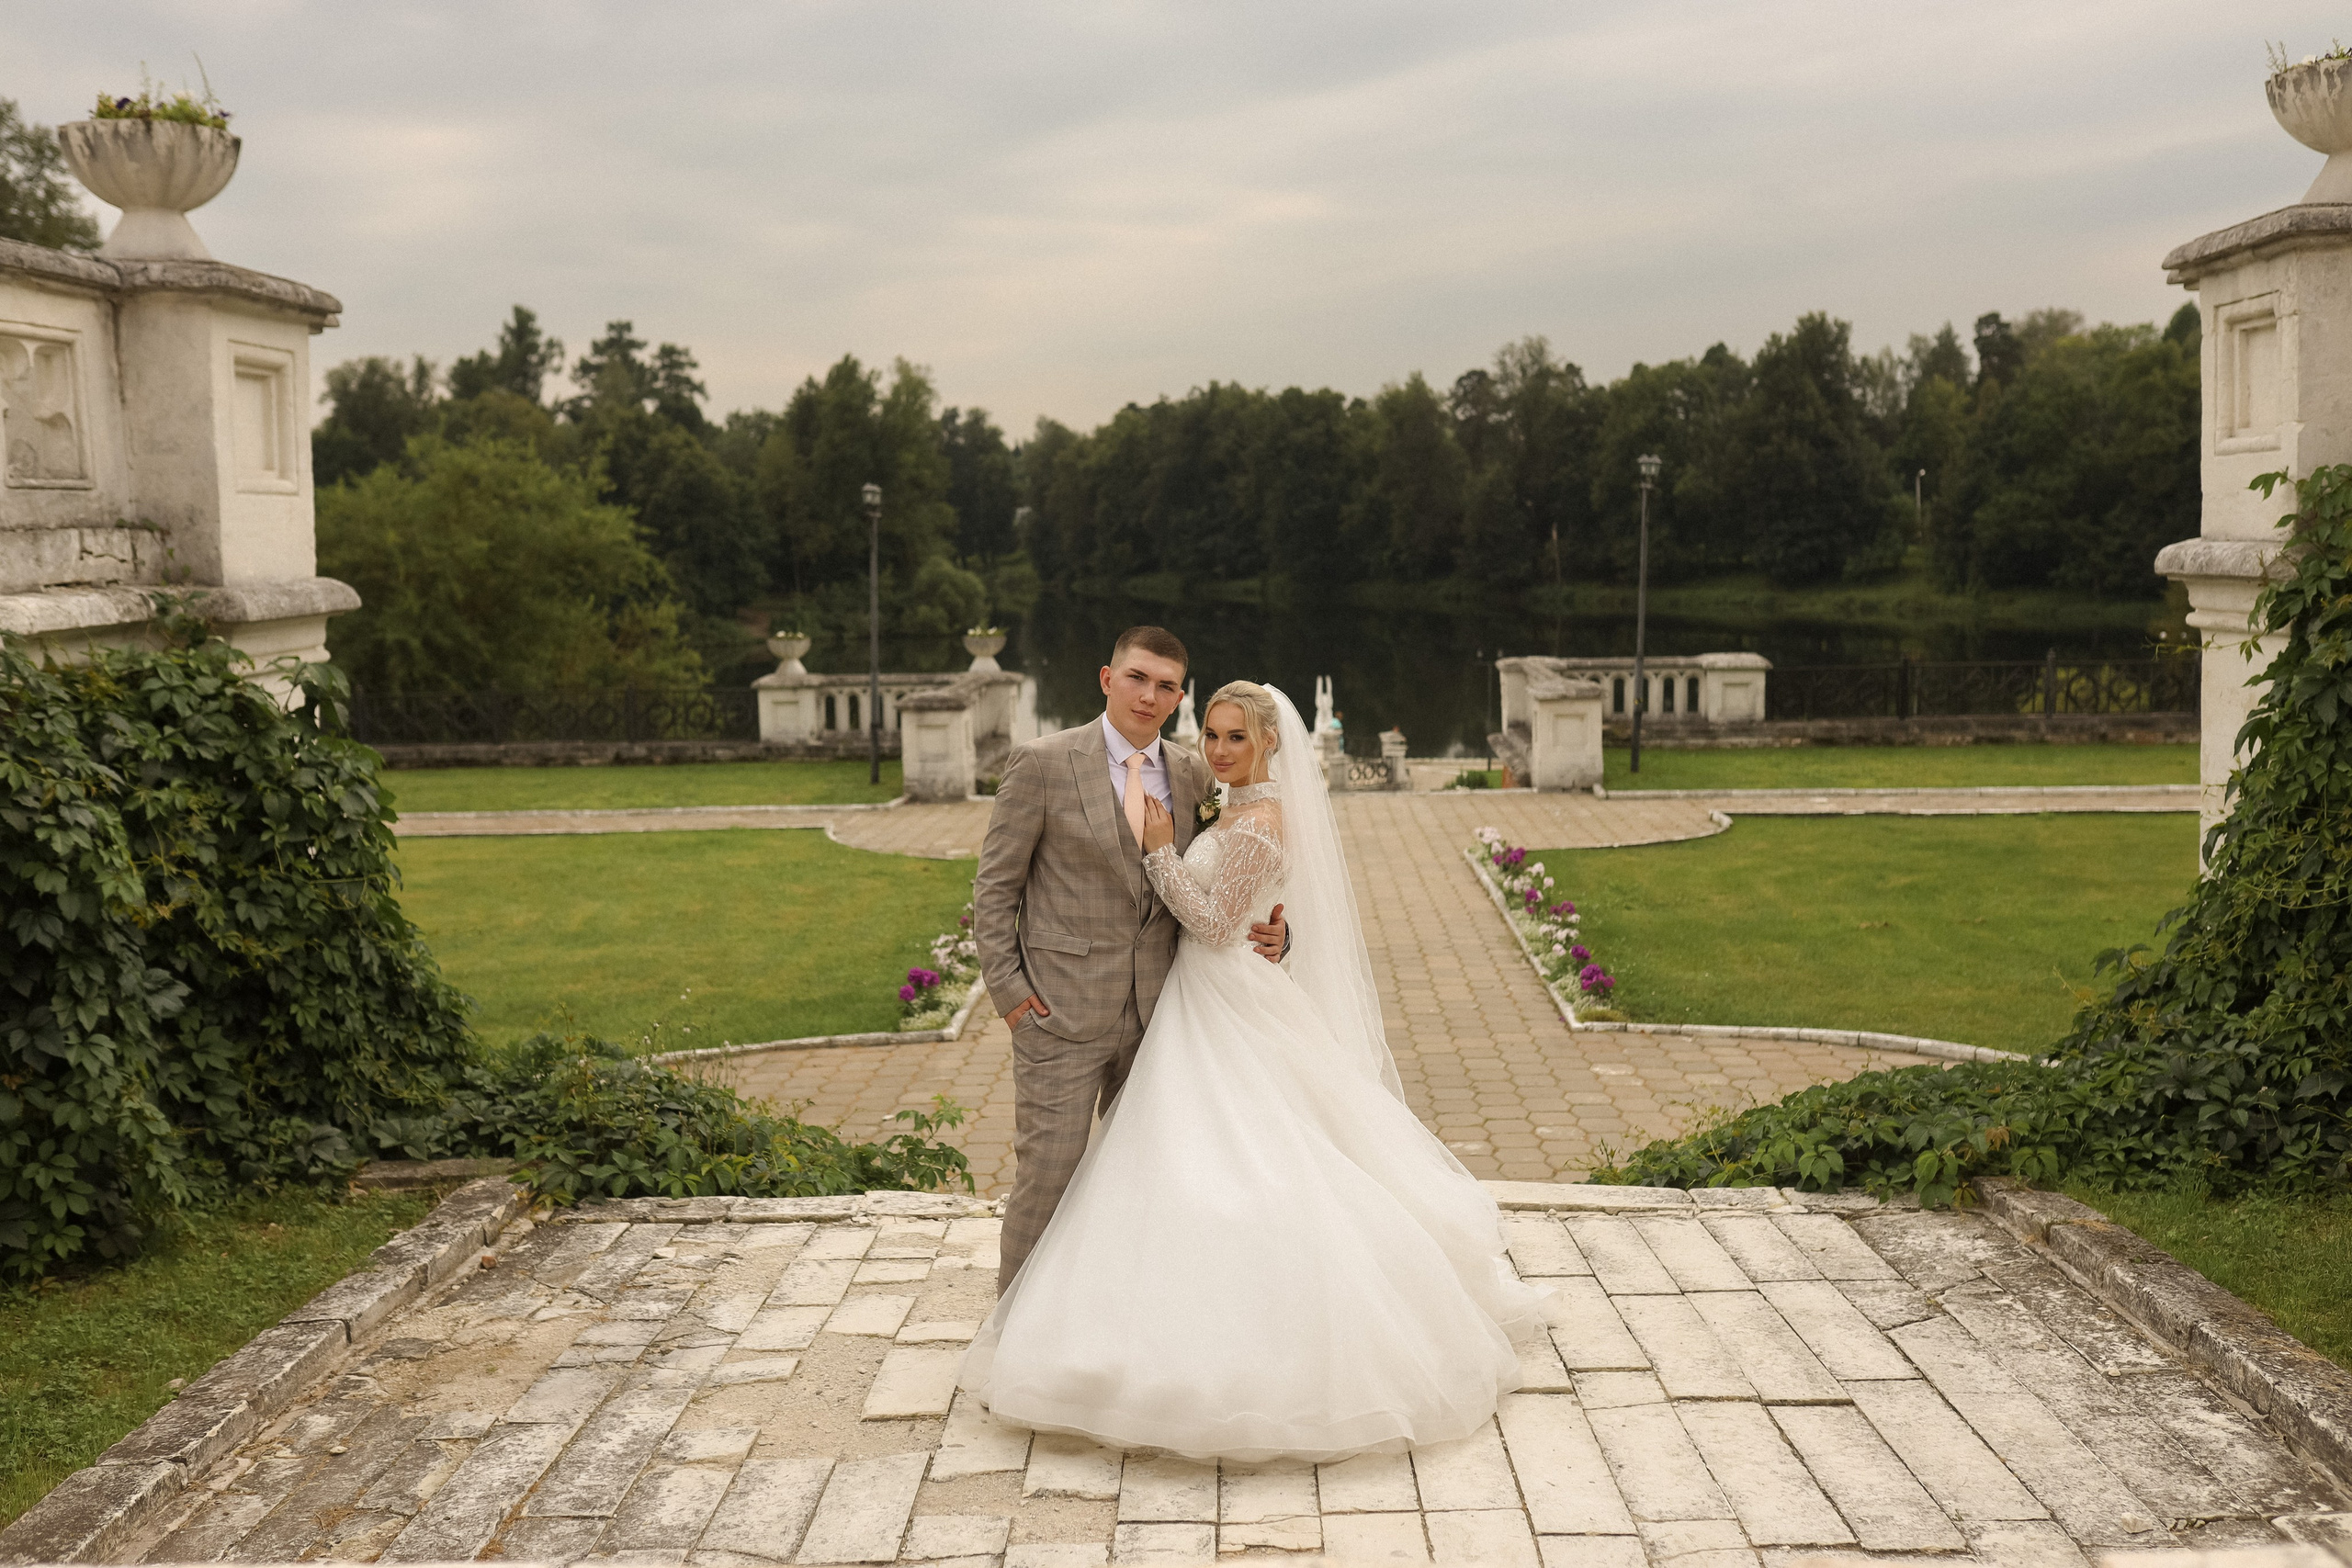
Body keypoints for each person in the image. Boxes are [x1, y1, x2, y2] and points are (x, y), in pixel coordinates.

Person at [961, 679, 1544, 1462]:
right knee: (1148, 1165)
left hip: (1219, 1000)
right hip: (1179, 998)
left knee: (1241, 1162)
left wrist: (1161, 850)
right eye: (1211, 732)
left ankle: (1234, 1346)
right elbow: (1234, 905)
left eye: (1237, 736)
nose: (1219, 749)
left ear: (1271, 742)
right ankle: (1075, 1324)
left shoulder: (1257, 819)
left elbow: (1211, 921)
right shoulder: (1221, 798)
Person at [972, 626, 1289, 1295]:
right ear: (1106, 678)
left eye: (1166, 685)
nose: (1150, 695)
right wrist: (1009, 992)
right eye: (1137, 677)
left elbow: (1240, 880)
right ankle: (1012, 1332)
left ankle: (1116, 1325)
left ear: (1179, 697)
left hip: (1165, 1018)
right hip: (1058, 1014)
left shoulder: (1197, 773)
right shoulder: (1042, 762)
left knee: (1148, 1185)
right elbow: (995, 888)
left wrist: (1281, 937)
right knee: (1048, 1178)